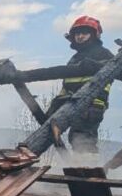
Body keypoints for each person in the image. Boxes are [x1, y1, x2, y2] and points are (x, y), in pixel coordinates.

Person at [46, 15, 114, 153]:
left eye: (84, 33)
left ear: (94, 35)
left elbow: (111, 74)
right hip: (72, 103)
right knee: (59, 132)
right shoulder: (75, 58)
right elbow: (67, 84)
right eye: (77, 33)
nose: (80, 36)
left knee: (82, 138)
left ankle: (88, 169)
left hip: (92, 104)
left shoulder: (103, 53)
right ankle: (79, 166)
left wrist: (94, 66)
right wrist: (56, 103)